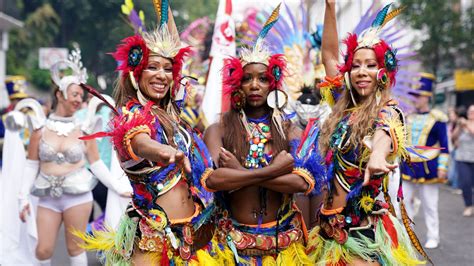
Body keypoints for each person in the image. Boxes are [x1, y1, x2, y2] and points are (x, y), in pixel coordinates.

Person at [75, 2, 232, 264]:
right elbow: (141, 141)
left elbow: (174, 45)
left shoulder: (170, 113)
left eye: (167, 69)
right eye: (152, 67)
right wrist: (165, 152)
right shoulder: (131, 115)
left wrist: (165, 6)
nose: (162, 75)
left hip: (192, 231)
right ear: (136, 74)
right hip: (153, 235)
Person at [306, 1, 428, 265]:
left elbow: (386, 131)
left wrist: (377, 155)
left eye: (371, 65)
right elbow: (328, 55)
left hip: (361, 229)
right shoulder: (342, 105)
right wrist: (330, 6)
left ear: (383, 72)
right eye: (356, 65)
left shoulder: (388, 110)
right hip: (328, 228)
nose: (362, 72)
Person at [202, 4, 325, 265]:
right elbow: (213, 180)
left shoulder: (290, 129)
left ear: (273, 83)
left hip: (284, 248)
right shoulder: (219, 129)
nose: (255, 85)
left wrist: (239, 173)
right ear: (238, 85)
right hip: (232, 248)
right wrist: (274, 170)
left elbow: (302, 184)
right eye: (247, 79)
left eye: (262, 79)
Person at [12, 48, 131, 266]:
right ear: (60, 94)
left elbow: (96, 165)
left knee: (75, 249)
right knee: (43, 250)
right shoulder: (40, 128)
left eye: (81, 96)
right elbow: (31, 165)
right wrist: (22, 198)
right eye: (74, 94)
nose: (78, 99)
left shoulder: (85, 129)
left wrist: (116, 187)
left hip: (77, 197)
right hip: (46, 197)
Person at [400, 73, 449, 249]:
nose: (415, 99)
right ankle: (407, 235)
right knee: (404, 203)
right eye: (413, 95)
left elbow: (445, 145)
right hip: (408, 166)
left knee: (430, 204)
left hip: (429, 166)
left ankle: (433, 236)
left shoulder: (438, 118)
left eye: (418, 96)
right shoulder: (408, 116)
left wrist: (443, 168)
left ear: (427, 97)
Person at [452, 104, 474, 217]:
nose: (471, 113)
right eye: (470, 111)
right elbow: (454, 137)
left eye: (473, 111)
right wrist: (460, 127)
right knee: (466, 183)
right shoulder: (462, 123)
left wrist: (468, 127)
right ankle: (468, 206)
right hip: (462, 158)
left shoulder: (468, 124)